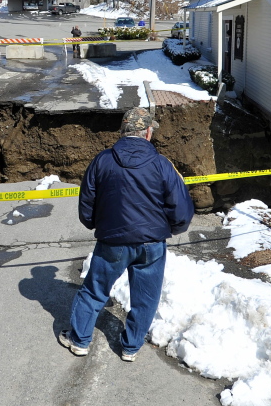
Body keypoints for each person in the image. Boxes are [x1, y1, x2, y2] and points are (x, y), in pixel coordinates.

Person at [59, 107, 194, 361]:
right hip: (151, 244)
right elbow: (181, 208)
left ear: (123, 132)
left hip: (113, 241)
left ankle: (79, 341)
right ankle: (130, 348)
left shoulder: (103, 160)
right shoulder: (162, 165)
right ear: (147, 133)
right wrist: (170, 229)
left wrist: (93, 223)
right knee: (146, 297)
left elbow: (87, 201)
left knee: (94, 290)